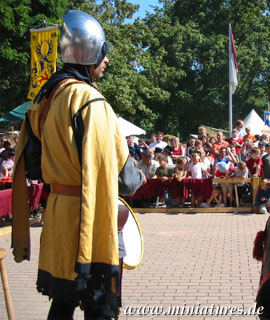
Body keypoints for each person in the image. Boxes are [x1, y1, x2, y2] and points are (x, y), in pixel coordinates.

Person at [12, 10, 145, 320]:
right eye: (103, 54)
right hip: (89, 219)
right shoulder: (90, 102)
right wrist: (140, 175)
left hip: (59, 215)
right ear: (91, 52)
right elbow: (123, 178)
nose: (106, 61)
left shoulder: (46, 98)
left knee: (62, 304)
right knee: (99, 308)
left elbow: (32, 167)